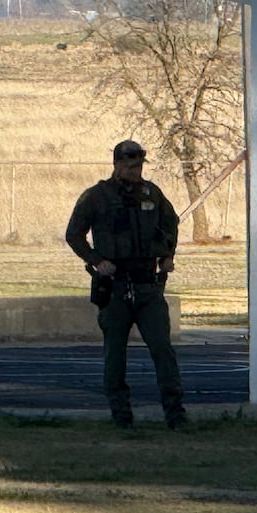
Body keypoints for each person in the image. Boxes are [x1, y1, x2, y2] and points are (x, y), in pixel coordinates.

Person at [65, 139, 186, 429]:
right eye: (130, 166)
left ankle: (175, 415)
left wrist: (167, 255)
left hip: (147, 285)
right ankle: (121, 416)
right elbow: (74, 234)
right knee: (115, 355)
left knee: (162, 350)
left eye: (139, 166)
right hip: (115, 286)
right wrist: (95, 260)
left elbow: (171, 223)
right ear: (117, 165)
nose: (135, 172)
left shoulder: (151, 193)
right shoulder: (96, 196)